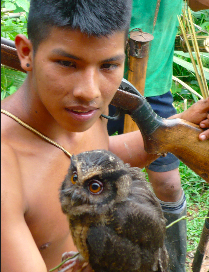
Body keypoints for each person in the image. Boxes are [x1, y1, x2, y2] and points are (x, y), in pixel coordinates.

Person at [1, 0, 209, 271]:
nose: (90, 91)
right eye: (66, 63)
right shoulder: (6, 167)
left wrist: (185, 120)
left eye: (108, 65)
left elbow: (100, 154)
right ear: (26, 52)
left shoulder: (80, 113)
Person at [107, 1, 209, 271]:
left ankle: (174, 266)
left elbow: (200, 3)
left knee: (168, 185)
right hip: (100, 82)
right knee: (92, 173)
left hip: (154, 90)